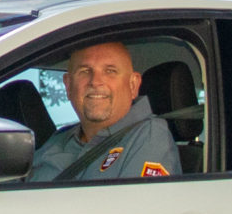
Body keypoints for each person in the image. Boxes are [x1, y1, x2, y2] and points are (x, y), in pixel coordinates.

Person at [29, 41, 182, 181]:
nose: (95, 81)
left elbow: (134, 208)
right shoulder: (59, 140)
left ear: (133, 85)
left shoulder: (149, 137)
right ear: (68, 86)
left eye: (110, 71)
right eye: (85, 71)